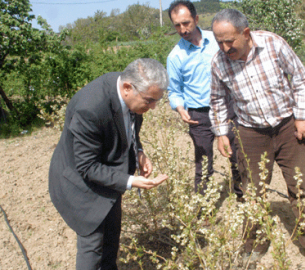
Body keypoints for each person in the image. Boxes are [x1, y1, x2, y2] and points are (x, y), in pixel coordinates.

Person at [209, 9, 305, 268]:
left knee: (302, 187)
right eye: (219, 41)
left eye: (229, 40)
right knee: (252, 192)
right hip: (250, 132)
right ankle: (254, 246)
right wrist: (220, 132)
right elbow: (218, 99)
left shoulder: (273, 44)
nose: (225, 47)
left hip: (288, 127)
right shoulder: (219, 62)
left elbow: (299, 76)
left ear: (245, 32)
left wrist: (302, 115)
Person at [48, 58, 169, 270]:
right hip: (80, 187)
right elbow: (86, 166)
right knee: (93, 247)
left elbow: (128, 126)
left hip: (109, 178)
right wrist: (131, 180)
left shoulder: (130, 93)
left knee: (111, 240)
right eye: (150, 101)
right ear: (127, 88)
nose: (153, 107)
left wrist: (138, 151)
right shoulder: (90, 108)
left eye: (157, 100)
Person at [166, 0, 242, 198]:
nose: (182, 29)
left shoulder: (217, 41)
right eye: (177, 25)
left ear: (196, 19)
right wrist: (180, 108)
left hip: (228, 108)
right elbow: (174, 91)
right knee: (204, 162)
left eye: (186, 23)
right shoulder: (175, 57)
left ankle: (243, 199)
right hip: (199, 115)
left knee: (237, 156)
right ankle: (202, 211)